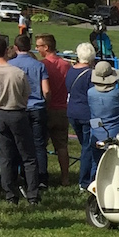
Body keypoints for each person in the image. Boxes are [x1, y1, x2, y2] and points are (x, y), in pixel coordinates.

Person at [0, 33, 40, 206]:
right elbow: (26, 94)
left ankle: (10, 194)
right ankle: (32, 194)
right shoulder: (17, 72)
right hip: (17, 112)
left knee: (6, 156)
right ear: (7, 50)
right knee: (28, 156)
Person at [9, 33, 51, 185]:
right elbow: (45, 90)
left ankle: (18, 175)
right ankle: (41, 177)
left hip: (18, 107)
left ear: (15, 48)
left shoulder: (11, 65)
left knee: (17, 143)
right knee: (38, 144)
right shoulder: (39, 65)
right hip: (37, 106)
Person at [34, 33, 72, 186]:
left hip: (46, 108)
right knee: (62, 146)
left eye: (38, 46)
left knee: (40, 144)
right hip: (63, 109)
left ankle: (42, 176)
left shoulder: (41, 65)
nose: (37, 49)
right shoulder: (66, 65)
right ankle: (65, 177)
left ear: (46, 47)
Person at [66, 42, 97, 191]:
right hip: (87, 113)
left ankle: (87, 177)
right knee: (87, 147)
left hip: (72, 111)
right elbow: (93, 95)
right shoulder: (91, 74)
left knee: (84, 145)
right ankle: (85, 180)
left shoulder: (70, 71)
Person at [87, 59, 119, 156]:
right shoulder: (117, 93)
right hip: (115, 133)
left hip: (95, 132)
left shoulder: (90, 92)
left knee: (96, 163)